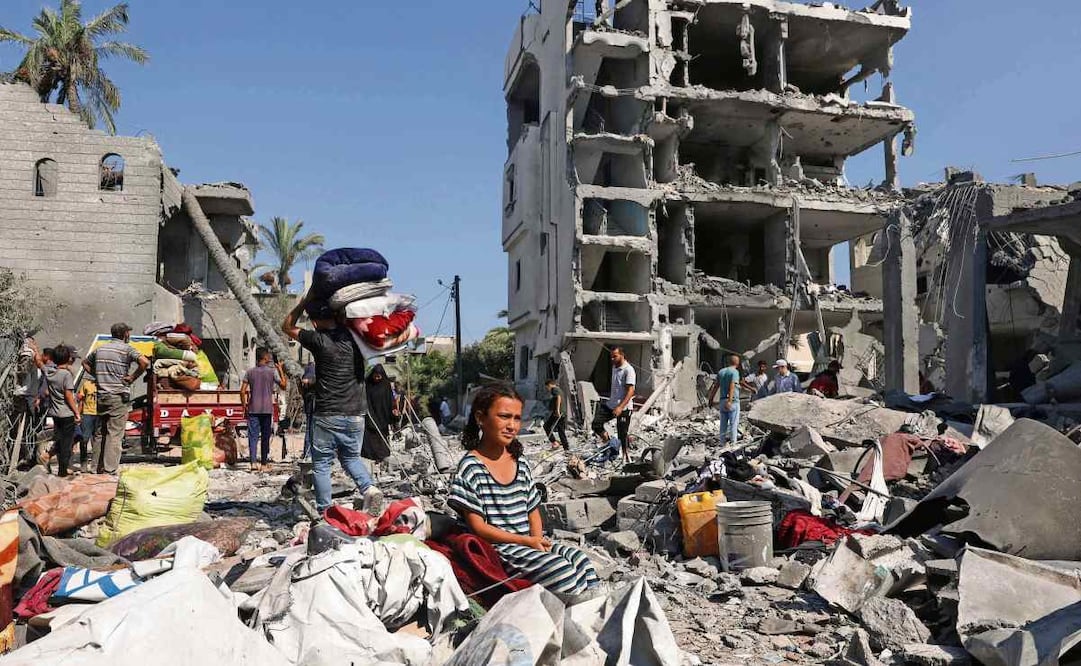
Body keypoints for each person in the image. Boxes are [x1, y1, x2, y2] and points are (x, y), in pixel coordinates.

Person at [449, 384, 600, 595]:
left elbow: (533, 512)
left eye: (517, 418)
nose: (512, 425)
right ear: (480, 418)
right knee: (563, 572)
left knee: (582, 562)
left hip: (527, 544)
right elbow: (478, 528)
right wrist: (526, 542)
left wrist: (536, 542)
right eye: (504, 416)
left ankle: (590, 614)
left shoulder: (520, 463)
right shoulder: (471, 468)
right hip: (500, 549)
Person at [282, 294, 382, 514]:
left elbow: (287, 326)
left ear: (315, 321)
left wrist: (302, 304)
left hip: (328, 413)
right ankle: (370, 489)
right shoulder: (356, 338)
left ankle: (326, 511)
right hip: (356, 413)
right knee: (351, 458)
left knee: (322, 465)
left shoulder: (318, 340)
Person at [83, 323, 148, 475]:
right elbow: (144, 362)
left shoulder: (100, 349)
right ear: (125, 334)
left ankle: (95, 468)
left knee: (100, 432)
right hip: (117, 396)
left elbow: (85, 363)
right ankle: (109, 469)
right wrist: (132, 377)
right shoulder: (127, 349)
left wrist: (98, 376)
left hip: (101, 396)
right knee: (115, 433)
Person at [241, 348, 286, 471]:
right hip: (266, 409)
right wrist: (280, 369)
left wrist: (244, 405)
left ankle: (253, 463)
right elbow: (284, 385)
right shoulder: (272, 372)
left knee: (253, 437)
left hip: (253, 408)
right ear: (265, 358)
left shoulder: (249, 372)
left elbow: (242, 390)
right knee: (265, 437)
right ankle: (264, 464)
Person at [591, 347, 636, 462]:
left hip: (624, 408)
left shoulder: (628, 370)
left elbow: (631, 391)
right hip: (611, 404)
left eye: (615, 356)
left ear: (622, 355)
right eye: (611, 356)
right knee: (596, 424)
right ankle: (609, 442)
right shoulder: (614, 367)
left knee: (622, 434)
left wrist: (620, 407)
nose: (612, 359)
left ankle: (625, 456)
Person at [42, 345, 80, 477]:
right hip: (66, 413)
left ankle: (54, 461)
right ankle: (62, 471)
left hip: (55, 413)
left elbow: (39, 363)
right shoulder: (66, 375)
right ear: (68, 358)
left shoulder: (50, 372)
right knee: (66, 443)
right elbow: (68, 396)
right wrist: (76, 412)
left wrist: (35, 350)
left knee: (59, 438)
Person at [362, 364, 394, 464]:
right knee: (371, 435)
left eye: (378, 376)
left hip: (383, 416)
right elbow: (365, 400)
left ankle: (382, 455)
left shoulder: (385, 384)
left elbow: (390, 400)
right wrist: (369, 415)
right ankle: (370, 456)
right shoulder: (368, 385)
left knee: (382, 436)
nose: (376, 378)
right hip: (371, 414)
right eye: (375, 376)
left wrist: (392, 414)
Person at [708, 354, 742, 445]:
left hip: (722, 401)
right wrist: (730, 401)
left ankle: (722, 443)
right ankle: (733, 443)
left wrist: (711, 399)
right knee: (733, 424)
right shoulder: (734, 372)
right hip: (732, 401)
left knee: (723, 424)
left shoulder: (721, 371)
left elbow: (715, 386)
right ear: (737, 363)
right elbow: (732, 385)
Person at [74, 374, 98, 474]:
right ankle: (83, 464)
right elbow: (81, 400)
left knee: (96, 442)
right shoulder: (86, 384)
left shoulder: (103, 385)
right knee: (84, 440)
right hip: (87, 414)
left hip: (99, 414)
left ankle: (94, 466)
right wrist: (78, 415)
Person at [543, 378, 570, 450]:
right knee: (560, 430)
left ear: (549, 385)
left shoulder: (554, 389)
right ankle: (565, 447)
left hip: (558, 413)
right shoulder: (559, 389)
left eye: (547, 387)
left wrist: (557, 410)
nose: (547, 389)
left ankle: (555, 443)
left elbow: (558, 397)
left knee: (547, 426)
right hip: (561, 413)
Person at [299, 361, 316, 459]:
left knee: (310, 429)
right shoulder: (312, 373)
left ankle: (308, 453)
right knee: (312, 430)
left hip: (310, 406)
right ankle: (309, 453)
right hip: (314, 406)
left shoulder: (307, 373)